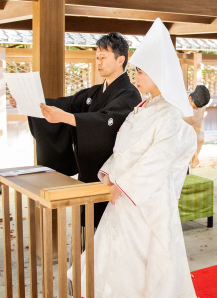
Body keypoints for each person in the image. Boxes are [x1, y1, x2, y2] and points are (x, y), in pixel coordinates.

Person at [70, 19, 197, 298]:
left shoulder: (170, 114)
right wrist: (110, 174)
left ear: (158, 74)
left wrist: (122, 184)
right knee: (128, 266)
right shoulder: (145, 106)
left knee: (150, 264)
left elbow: (157, 161)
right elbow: (123, 148)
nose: (136, 77)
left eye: (140, 72)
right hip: (126, 199)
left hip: (148, 204)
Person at [12, 32, 141, 229]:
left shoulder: (130, 94)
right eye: (96, 57)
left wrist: (66, 117)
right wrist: (30, 102)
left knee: (109, 229)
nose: (98, 62)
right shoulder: (95, 92)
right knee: (87, 227)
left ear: (120, 59)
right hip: (89, 172)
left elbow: (105, 121)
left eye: (103, 57)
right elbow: (67, 104)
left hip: (112, 175)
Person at [183, 85, 210, 168]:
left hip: (192, 129)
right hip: (179, 128)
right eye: (195, 106)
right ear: (190, 98)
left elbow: (198, 124)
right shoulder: (180, 99)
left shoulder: (200, 104)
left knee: (197, 140)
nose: (197, 109)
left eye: (199, 107)